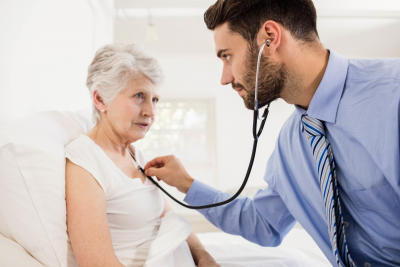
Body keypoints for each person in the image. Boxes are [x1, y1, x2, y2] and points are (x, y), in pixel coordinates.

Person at [143, 0, 400, 266]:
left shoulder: (393, 96)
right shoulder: (292, 143)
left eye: (227, 56)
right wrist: (187, 183)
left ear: (270, 38)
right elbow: (265, 224)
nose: (224, 78)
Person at [64, 44, 220, 267]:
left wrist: (203, 256)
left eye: (155, 99)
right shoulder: (85, 162)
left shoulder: (134, 153)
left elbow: (169, 217)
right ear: (100, 100)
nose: (151, 112)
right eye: (139, 96)